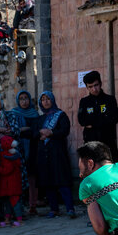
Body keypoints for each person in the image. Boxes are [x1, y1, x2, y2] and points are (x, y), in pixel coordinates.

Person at [35, 91, 76, 219]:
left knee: (62, 180)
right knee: (48, 182)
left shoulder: (61, 115)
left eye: (48, 99)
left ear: (52, 100)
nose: (46, 102)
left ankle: (70, 208)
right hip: (44, 154)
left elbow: (65, 130)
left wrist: (51, 133)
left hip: (58, 153)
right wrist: (41, 133)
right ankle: (54, 209)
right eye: (43, 100)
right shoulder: (40, 118)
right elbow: (34, 133)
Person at [77, 70, 118, 162]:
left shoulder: (110, 100)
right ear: (87, 87)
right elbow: (82, 120)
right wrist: (102, 119)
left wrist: (92, 123)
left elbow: (113, 119)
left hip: (108, 144)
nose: (94, 89)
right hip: (91, 145)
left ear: (100, 84)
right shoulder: (84, 102)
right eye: (90, 87)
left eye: (96, 85)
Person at [10, 90, 40, 215]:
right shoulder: (14, 113)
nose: (24, 101)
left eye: (26, 98)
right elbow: (13, 130)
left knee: (33, 177)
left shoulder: (35, 114)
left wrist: (24, 130)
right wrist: (25, 129)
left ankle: (33, 205)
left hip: (34, 147)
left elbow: (37, 130)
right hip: (19, 147)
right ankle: (19, 207)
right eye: (21, 99)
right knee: (20, 177)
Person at [0, 136, 25, 227]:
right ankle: (8, 219)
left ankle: (18, 220)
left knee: (11, 202)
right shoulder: (15, 153)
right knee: (11, 202)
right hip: (13, 183)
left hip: (9, 183)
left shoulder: (5, 155)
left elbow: (7, 170)